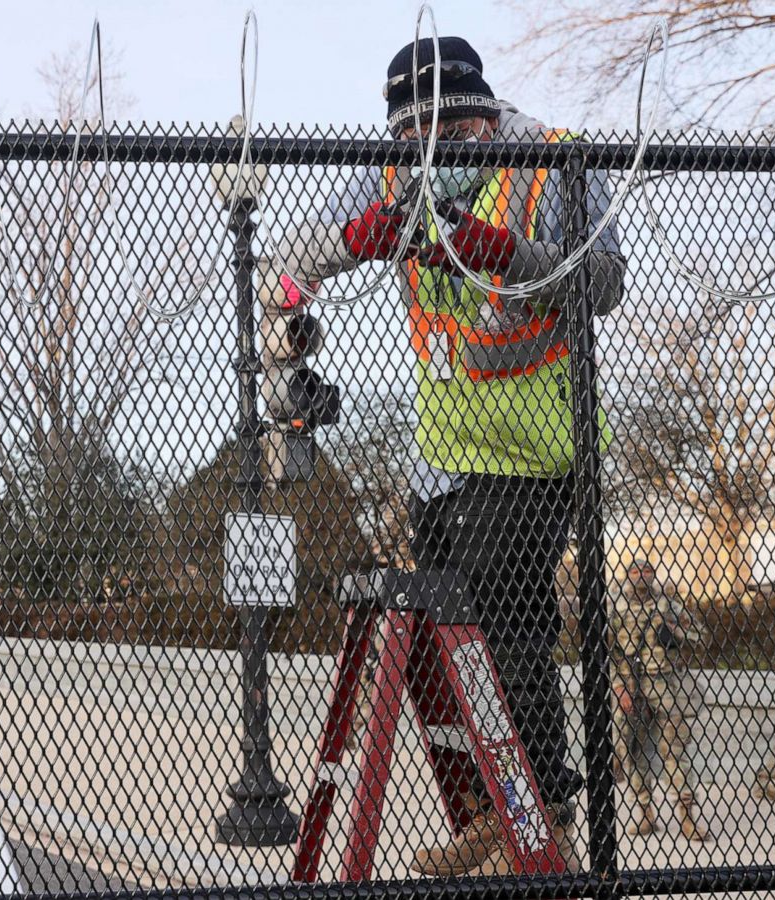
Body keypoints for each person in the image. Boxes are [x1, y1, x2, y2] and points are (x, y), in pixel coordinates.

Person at [262, 36, 626, 875]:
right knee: (446, 636)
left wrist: (509, 255)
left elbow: (604, 284)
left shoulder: (546, 162)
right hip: (445, 448)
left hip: (539, 444)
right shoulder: (392, 171)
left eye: (451, 129)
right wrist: (350, 241)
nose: (432, 149)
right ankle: (492, 816)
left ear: (485, 112)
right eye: (412, 133)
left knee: (506, 614)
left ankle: (547, 816)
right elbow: (288, 265)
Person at [611, 558, 710, 842]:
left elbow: (700, 636)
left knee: (674, 750)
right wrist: (619, 687)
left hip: (667, 683)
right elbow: (607, 651)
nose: (641, 576)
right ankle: (645, 814)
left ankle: (687, 818)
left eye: (646, 571)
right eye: (635, 571)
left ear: (653, 575)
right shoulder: (616, 607)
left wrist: (675, 629)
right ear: (627, 575)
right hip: (630, 685)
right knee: (632, 750)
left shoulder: (669, 605)